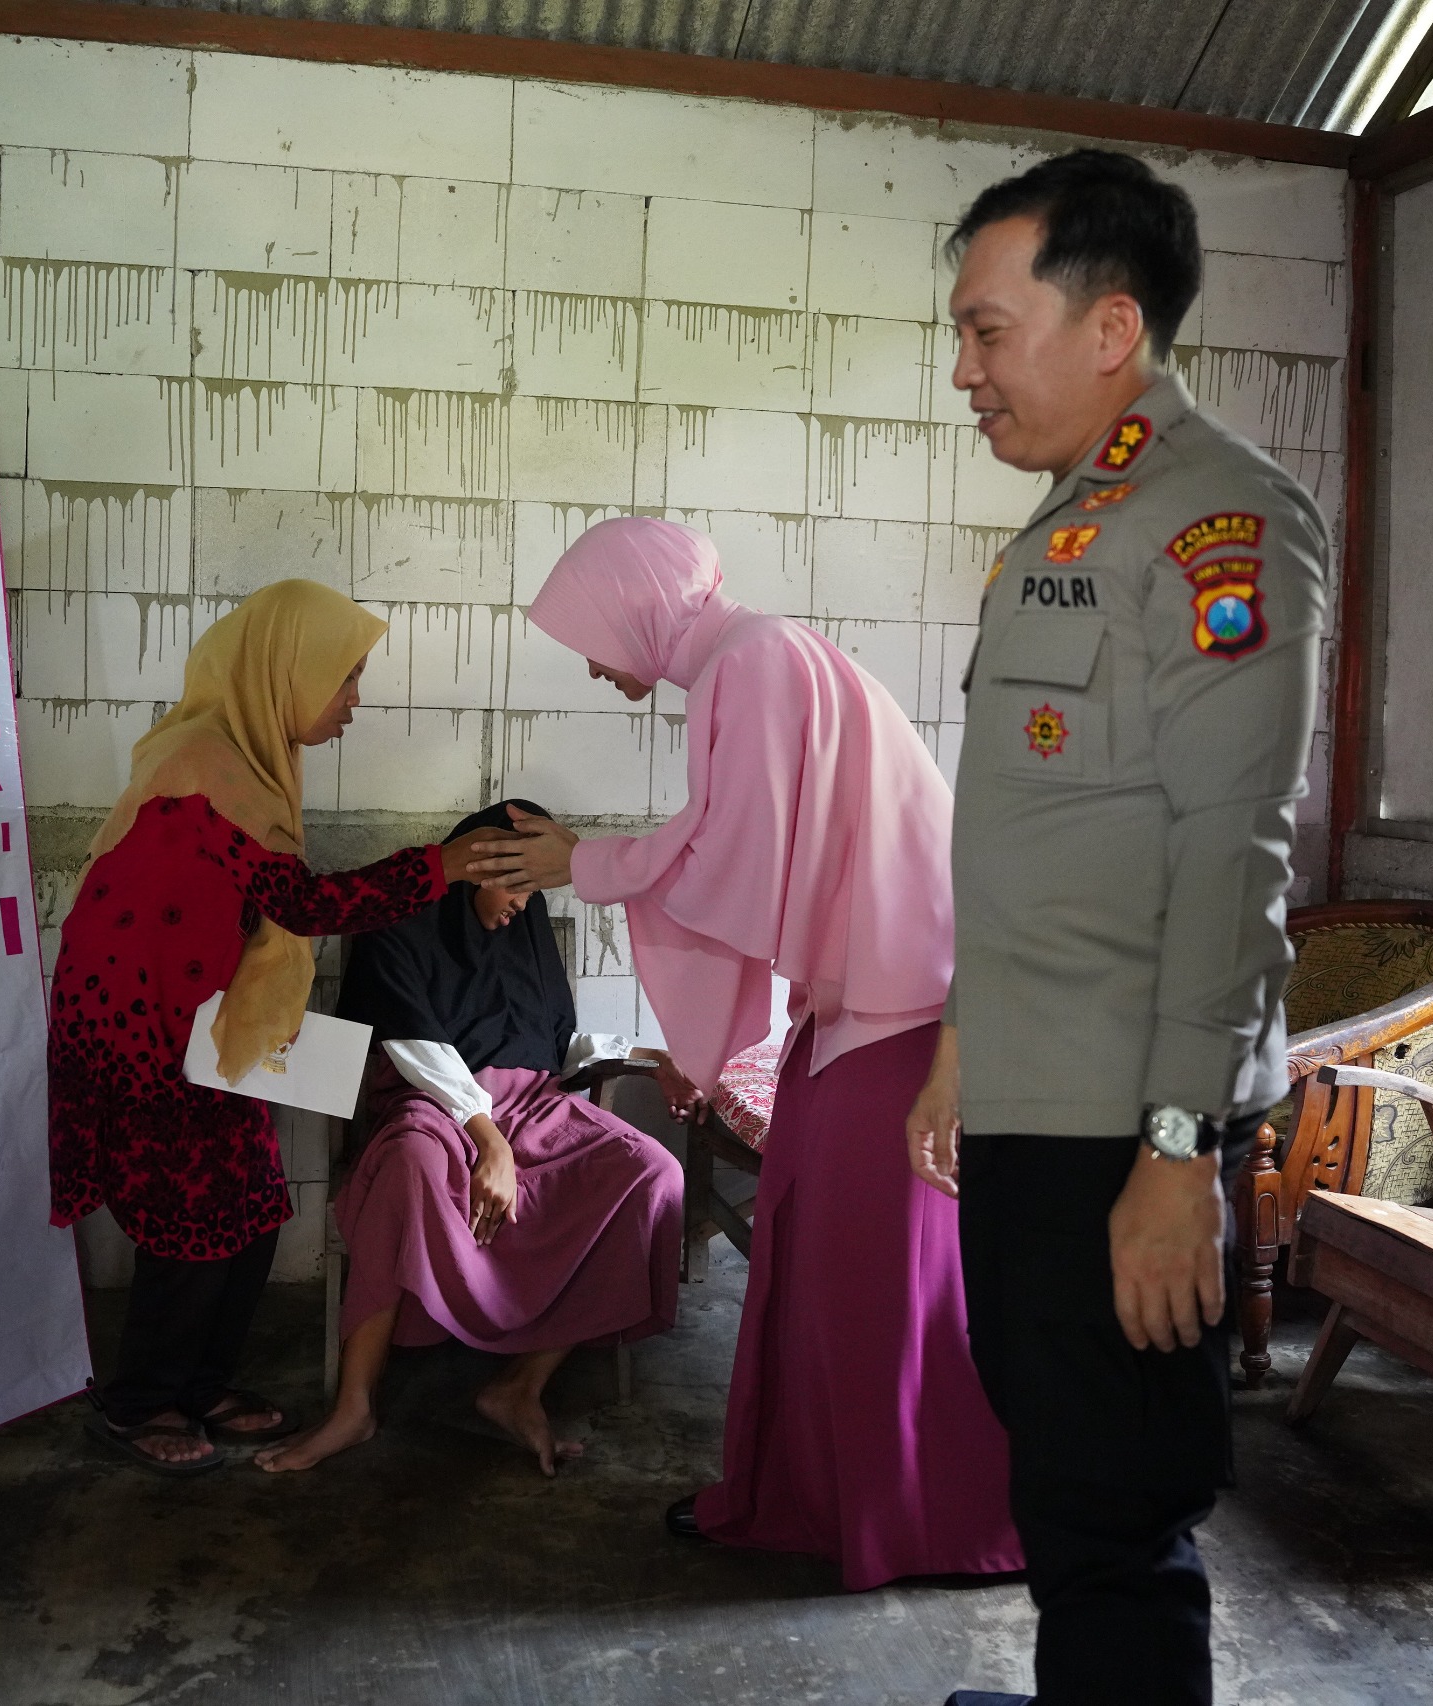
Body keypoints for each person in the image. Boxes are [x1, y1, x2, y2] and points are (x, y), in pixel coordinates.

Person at [906, 150, 1327, 1706]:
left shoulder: (1220, 520)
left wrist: (1174, 1149)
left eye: (986, 330)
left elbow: (1233, 850)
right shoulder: (1071, 523)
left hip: (1123, 1122)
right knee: (1058, 1466)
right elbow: (1040, 833)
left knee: (1115, 1513)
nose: (963, 371)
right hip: (1036, 1091)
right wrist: (963, 1035)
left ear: (1110, 326)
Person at [467, 517, 1022, 1590]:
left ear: (636, 604)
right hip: (867, 1001)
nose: (590, 661)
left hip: (905, 1012)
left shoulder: (750, 661)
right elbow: (755, 857)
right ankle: (811, 1500)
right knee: (816, 1258)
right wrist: (709, 1037)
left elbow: (734, 858)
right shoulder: (749, 657)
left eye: (590, 634)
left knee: (869, 1275)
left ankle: (918, 1519)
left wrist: (587, 859)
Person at [51, 579, 485, 1476]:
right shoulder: (201, 770)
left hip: (211, 1026)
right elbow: (300, 901)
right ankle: (136, 1403)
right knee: (187, 1222)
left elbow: (258, 909)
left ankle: (202, 1384)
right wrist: (438, 867)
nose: (355, 703)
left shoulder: (244, 762)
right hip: (145, 1032)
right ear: (284, 671)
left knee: (248, 1210)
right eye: (345, 678)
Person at [253, 800, 686, 1477]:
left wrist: (654, 1057)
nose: (523, 903)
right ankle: (354, 1408)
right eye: (515, 883)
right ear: (479, 866)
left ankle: (521, 1387)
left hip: (532, 1106)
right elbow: (412, 1043)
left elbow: (553, 1044)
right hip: (433, 1105)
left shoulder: (527, 926)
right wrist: (491, 1143)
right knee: (411, 1169)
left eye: (535, 887)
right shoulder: (398, 916)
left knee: (652, 1173)